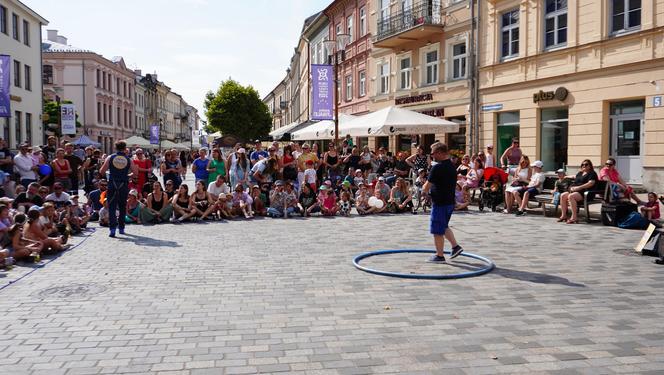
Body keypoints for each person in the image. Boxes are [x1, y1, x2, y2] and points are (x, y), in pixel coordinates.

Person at [422, 142, 464, 263]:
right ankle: (455, 247)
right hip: (449, 202)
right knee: (444, 225)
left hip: (440, 203)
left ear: (439, 153)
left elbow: (426, 186)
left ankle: (439, 255)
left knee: (437, 230)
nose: (432, 156)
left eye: (433, 153)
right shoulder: (451, 166)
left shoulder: (437, 167)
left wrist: (423, 192)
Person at [99, 140, 139, 237]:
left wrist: (110, 174)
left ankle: (112, 229)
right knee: (122, 207)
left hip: (112, 184)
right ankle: (121, 228)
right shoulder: (128, 159)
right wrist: (127, 176)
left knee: (112, 207)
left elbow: (102, 171)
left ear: (115, 148)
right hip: (123, 185)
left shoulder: (110, 157)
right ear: (125, 148)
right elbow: (136, 173)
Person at [558, 159, 598, 224]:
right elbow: (574, 176)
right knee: (563, 195)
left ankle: (574, 217)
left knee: (571, 196)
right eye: (582, 164)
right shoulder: (580, 173)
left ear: (590, 166)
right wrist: (565, 177)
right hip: (575, 191)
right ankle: (564, 215)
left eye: (586, 164)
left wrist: (578, 188)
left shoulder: (592, 173)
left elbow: (591, 183)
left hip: (586, 193)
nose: (584, 166)